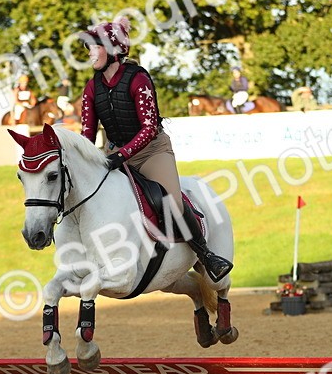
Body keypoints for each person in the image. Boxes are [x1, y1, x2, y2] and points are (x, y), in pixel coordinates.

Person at [78, 17, 233, 282]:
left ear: (114, 49)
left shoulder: (138, 79)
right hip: (114, 156)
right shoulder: (92, 86)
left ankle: (206, 254)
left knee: (171, 200)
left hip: (151, 151)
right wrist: (86, 159)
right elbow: (87, 133)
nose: (90, 52)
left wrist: (121, 155)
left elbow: (149, 128)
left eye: (96, 46)